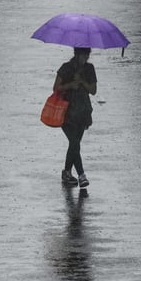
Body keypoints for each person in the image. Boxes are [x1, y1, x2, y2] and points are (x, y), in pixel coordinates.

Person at [54, 47, 97, 188]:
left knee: (74, 144)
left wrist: (83, 82)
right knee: (74, 143)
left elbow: (93, 90)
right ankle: (81, 175)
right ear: (77, 54)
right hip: (66, 112)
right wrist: (70, 85)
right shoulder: (66, 68)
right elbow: (56, 88)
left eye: (87, 55)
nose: (86, 58)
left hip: (82, 112)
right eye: (83, 55)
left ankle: (66, 172)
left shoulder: (89, 69)